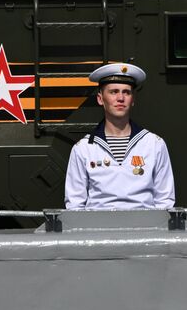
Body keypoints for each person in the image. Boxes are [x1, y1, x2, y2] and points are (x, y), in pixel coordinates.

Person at [65, 63, 175, 210]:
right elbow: (75, 205)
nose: (120, 98)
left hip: (145, 229)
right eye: (113, 92)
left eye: (127, 92)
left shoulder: (154, 144)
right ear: (100, 99)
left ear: (133, 99)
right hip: (98, 229)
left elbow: (165, 202)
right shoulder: (83, 148)